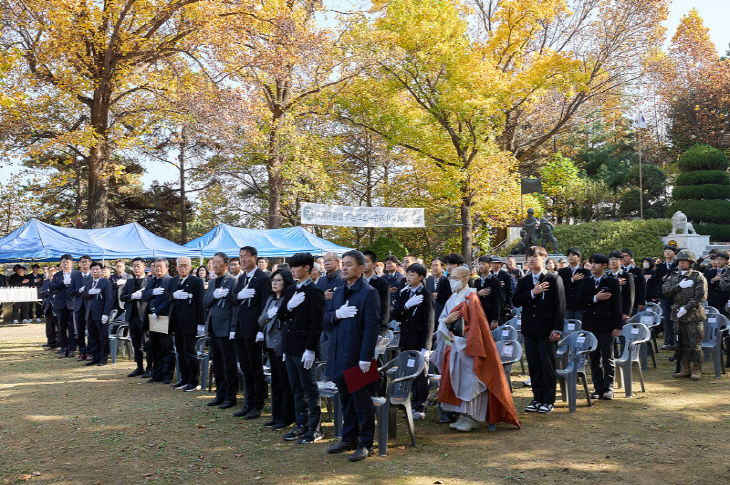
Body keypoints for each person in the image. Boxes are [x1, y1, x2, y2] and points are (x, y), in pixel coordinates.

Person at [433, 265, 520, 431]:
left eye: (456, 279)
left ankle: (472, 416)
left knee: (470, 381)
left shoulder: (471, 298)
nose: (453, 281)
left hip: (468, 347)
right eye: (451, 278)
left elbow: (477, 327)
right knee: (457, 379)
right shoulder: (452, 298)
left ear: (466, 279)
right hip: (454, 346)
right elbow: (444, 319)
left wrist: (462, 340)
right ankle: (461, 414)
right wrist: (446, 323)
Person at [323, 250, 380, 461]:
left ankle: (366, 443)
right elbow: (326, 319)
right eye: (343, 264)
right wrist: (337, 314)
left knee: (361, 401)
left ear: (361, 267)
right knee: (345, 399)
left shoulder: (368, 292)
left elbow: (371, 328)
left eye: (349, 264)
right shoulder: (338, 291)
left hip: (358, 356)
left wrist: (366, 356)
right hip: (339, 353)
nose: (345, 268)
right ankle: (349, 438)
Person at [277, 253, 325, 444]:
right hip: (291, 346)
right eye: (292, 267)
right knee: (296, 388)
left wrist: (311, 348)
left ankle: (315, 428)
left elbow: (317, 323)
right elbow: (281, 315)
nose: (293, 270)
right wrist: (288, 306)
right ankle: (301, 423)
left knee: (310, 389)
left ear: (307, 268)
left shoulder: (314, 291)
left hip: (305, 347)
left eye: (296, 267)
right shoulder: (291, 290)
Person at [513, 246, 565, 414]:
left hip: (547, 330)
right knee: (534, 366)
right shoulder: (524, 281)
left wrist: (557, 328)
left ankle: (548, 400)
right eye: (529, 256)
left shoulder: (553, 278)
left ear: (544, 258)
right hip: (529, 330)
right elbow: (516, 301)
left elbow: (560, 306)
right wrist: (532, 293)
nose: (531, 259)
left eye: (535, 256)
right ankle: (537, 398)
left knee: (547, 365)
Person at [231, 246, 272, 419]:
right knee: (245, 368)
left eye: (246, 257)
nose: (243, 260)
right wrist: (239, 295)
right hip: (240, 328)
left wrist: (262, 330)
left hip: (254, 329)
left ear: (255, 257)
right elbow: (233, 299)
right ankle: (248, 403)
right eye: (241, 257)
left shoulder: (263, 278)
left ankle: (257, 404)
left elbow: (265, 305)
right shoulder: (241, 278)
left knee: (255, 368)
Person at [577, 253, 622, 400]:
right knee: (593, 357)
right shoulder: (585, 282)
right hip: (590, 324)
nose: (593, 265)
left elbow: (617, 305)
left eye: (596, 263)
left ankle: (608, 388)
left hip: (607, 325)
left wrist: (618, 326)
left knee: (608, 356)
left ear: (604, 266)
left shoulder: (612, 282)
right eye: (591, 263)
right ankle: (597, 388)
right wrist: (596, 298)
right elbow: (579, 301)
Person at [392, 263, 434, 420]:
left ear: (421, 277)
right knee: (408, 372)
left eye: (412, 275)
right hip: (406, 339)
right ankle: (407, 403)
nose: (408, 277)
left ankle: (420, 406)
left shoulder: (426, 294)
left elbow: (429, 322)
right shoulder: (405, 293)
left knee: (421, 375)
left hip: (419, 340)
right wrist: (406, 306)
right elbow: (396, 315)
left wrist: (426, 347)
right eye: (407, 274)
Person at [257, 269, 296, 430]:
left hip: (282, 345)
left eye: (278, 280)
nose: (274, 283)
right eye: (273, 280)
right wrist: (269, 315)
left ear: (286, 282)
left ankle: (286, 417)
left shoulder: (287, 300)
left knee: (285, 382)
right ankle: (277, 415)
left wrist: (274, 315)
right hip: (270, 345)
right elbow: (261, 319)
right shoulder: (271, 299)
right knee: (276, 382)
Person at [662, 250, 708, 381]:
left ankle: (696, 369)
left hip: (694, 315)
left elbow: (701, 296)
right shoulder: (674, 276)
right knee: (682, 343)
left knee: (695, 343)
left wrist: (686, 307)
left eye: (685, 261)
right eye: (680, 261)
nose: (682, 263)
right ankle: (685, 368)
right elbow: (665, 290)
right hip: (678, 315)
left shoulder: (697, 276)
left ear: (691, 262)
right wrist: (678, 286)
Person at [203, 252, 239, 409]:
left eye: (218, 262)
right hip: (213, 327)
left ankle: (231, 397)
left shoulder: (233, 281)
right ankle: (220, 394)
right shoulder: (212, 282)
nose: (214, 265)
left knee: (228, 364)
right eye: (213, 263)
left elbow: (235, 306)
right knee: (217, 363)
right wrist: (214, 296)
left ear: (226, 264)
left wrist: (233, 328)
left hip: (226, 328)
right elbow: (205, 302)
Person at [169, 256, 205, 391]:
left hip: (190, 322)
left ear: (190, 267)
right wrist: (173, 295)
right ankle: (183, 379)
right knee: (180, 351)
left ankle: (193, 380)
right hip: (176, 321)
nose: (182, 268)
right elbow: (166, 296)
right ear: (176, 267)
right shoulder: (173, 281)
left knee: (190, 351)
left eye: (185, 265)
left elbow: (200, 303)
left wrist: (201, 323)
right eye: (180, 266)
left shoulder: (196, 281)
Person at [142, 258, 175, 384]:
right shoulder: (151, 281)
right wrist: (151, 292)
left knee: (166, 347)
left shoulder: (170, 281)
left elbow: (169, 299)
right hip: (151, 317)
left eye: (160, 266)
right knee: (154, 347)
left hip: (164, 317)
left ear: (167, 268)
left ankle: (167, 374)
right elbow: (144, 296)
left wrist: (158, 311)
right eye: (155, 266)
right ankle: (157, 373)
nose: (157, 268)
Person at [120, 258, 152, 377]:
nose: (136, 268)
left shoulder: (150, 281)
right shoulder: (129, 282)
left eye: (138, 266)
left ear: (144, 266)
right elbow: (122, 297)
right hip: (132, 316)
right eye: (134, 266)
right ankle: (139, 367)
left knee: (147, 343)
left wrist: (143, 295)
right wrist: (132, 296)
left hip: (145, 316)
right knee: (136, 343)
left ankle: (150, 367)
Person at [49, 255, 84, 359]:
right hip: (60, 304)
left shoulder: (77, 274)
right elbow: (52, 288)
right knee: (61, 328)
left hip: (73, 304)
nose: (65, 264)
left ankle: (72, 349)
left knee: (73, 328)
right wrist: (63, 283)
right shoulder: (58, 275)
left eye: (67, 262)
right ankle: (63, 349)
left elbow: (80, 288)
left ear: (72, 263)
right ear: (61, 263)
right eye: (63, 262)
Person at [79, 262, 114, 366]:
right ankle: (95, 357)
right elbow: (83, 295)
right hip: (90, 313)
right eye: (93, 270)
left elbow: (109, 299)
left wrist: (106, 314)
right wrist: (89, 292)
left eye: (97, 269)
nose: (95, 271)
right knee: (92, 337)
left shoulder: (105, 282)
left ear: (101, 271)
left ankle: (103, 358)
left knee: (102, 337)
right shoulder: (89, 283)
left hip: (101, 314)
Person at [317, 252, 344, 361]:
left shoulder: (343, 279)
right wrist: (323, 297)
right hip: (322, 324)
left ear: (338, 262)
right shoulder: (321, 280)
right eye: (325, 261)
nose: (326, 263)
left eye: (329, 260)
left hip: (337, 325)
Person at [655, 245, 678, 350]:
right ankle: (667, 341)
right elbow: (655, 282)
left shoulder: (678, 265)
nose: (667, 253)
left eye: (670, 251)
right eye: (666, 251)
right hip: (664, 296)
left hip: (677, 295)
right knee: (667, 318)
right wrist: (662, 279)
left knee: (677, 318)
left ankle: (677, 341)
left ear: (674, 253)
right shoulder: (660, 266)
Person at [362, 251, 390, 337]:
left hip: (375, 328)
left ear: (374, 264)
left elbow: (385, 308)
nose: (363, 264)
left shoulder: (382, 283)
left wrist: (380, 330)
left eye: (366, 261)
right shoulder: (356, 282)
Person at [558, 247, 591, 321]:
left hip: (580, 305)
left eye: (573, 255)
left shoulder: (586, 272)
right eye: (568, 255)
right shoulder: (562, 271)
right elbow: (560, 286)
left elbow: (588, 288)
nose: (570, 257)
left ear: (579, 257)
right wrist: (572, 280)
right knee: (566, 328)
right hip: (566, 305)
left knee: (580, 329)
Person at [73, 255, 93, 361]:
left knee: (90, 330)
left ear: (90, 263)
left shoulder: (94, 275)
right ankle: (82, 352)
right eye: (82, 262)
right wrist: (79, 290)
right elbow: (71, 292)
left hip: (90, 306)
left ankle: (90, 352)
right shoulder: (75, 276)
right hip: (79, 307)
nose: (84, 263)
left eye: (86, 262)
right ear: (79, 264)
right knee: (80, 331)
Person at [473, 256, 501, 329]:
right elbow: (473, 297)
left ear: (489, 265)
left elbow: (497, 301)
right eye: (479, 264)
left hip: (490, 314)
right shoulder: (477, 281)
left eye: (483, 264)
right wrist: (478, 294)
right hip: (478, 314)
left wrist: (495, 319)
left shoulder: (495, 281)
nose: (481, 266)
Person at [607, 250, 635, 324]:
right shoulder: (606, 275)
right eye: (611, 259)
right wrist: (615, 283)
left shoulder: (626, 275)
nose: (613, 262)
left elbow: (630, 295)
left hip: (621, 309)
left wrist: (627, 312)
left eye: (616, 259)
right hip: (607, 309)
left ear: (621, 261)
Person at [425, 257, 449, 323]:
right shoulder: (428, 281)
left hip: (443, 317)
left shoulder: (447, 281)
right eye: (432, 266)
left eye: (436, 265)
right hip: (430, 318)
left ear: (442, 267)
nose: (434, 268)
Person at [705, 250, 729, 316]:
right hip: (712, 300)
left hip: (725, 301)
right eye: (717, 259)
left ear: (726, 261)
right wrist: (713, 280)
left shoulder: (728, 272)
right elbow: (705, 285)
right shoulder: (709, 271)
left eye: (721, 259)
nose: (718, 261)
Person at [40, 266, 59, 350]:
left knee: (59, 327)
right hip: (48, 307)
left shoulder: (59, 283)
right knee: (49, 327)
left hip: (57, 307)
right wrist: (48, 292)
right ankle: (50, 343)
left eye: (53, 275)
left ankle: (59, 344)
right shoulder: (46, 282)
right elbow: (42, 293)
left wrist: (49, 292)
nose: (51, 277)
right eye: (50, 275)